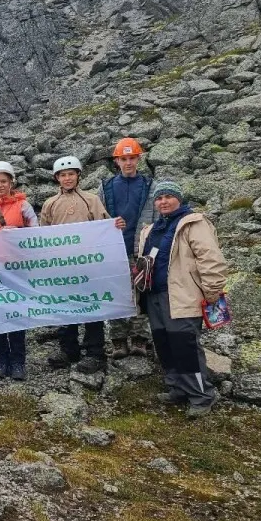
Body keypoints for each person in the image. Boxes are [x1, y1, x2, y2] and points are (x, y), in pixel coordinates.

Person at [137, 181, 227, 418]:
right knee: (164, 343)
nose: (163, 201)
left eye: (168, 196)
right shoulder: (151, 228)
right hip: (154, 296)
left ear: (179, 199)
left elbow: (211, 259)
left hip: (182, 296)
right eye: (159, 198)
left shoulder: (194, 223)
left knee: (184, 345)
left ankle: (201, 396)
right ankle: (177, 388)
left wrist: (211, 292)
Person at [40, 156, 113, 374]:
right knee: (66, 307)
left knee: (92, 306)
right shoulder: (50, 203)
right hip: (62, 267)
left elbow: (104, 227)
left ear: (78, 175)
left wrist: (115, 225)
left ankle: (94, 352)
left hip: (89, 266)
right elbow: (43, 236)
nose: (67, 178)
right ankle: (68, 349)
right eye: (63, 175)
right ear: (57, 179)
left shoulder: (91, 200)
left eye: (71, 174)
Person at [0, 161, 39, 380]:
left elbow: (36, 235)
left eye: (4, 181)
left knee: (16, 314)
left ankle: (18, 361)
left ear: (12, 182)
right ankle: (1, 359)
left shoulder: (24, 207)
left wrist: (17, 233)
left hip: (17, 268)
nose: (0, 185)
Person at [99, 137, 159, 358]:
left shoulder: (149, 185)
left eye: (132, 158)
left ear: (138, 158)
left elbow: (157, 215)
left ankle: (139, 339)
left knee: (141, 295)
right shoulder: (105, 187)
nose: (128, 163)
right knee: (117, 296)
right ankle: (118, 340)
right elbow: (99, 217)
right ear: (117, 161)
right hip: (114, 252)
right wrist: (109, 223)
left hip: (141, 251)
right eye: (123, 159)